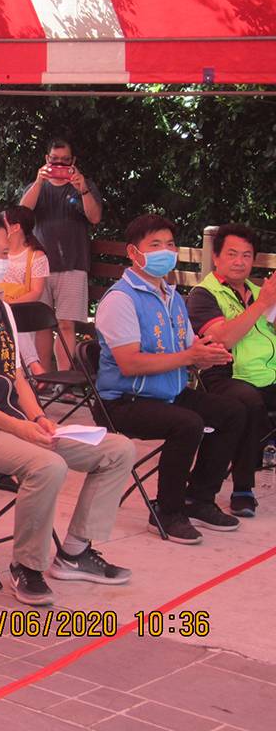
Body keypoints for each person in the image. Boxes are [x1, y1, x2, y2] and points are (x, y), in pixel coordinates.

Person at [0, 209, 136, 606]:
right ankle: (27, 565)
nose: (0, 261)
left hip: (15, 425)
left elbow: (16, 375)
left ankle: (75, 552)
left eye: (5, 253)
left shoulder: (0, 309)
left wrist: (38, 417)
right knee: (47, 465)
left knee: (118, 449)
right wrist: (18, 427)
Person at [95, 214, 243, 544]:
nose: (166, 251)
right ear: (133, 253)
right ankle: (167, 510)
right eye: (155, 245)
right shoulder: (120, 299)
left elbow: (189, 345)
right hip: (124, 400)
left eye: (170, 244)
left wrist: (207, 353)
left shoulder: (173, 297)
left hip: (168, 392)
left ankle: (198, 499)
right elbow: (129, 363)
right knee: (187, 423)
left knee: (232, 411)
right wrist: (190, 357)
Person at [188, 224, 276, 518]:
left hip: (267, 374)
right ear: (216, 257)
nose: (240, 261)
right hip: (223, 374)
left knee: (255, 398)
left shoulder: (259, 292)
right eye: (232, 254)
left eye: (247, 255)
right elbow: (223, 339)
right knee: (248, 402)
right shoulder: (204, 294)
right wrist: (261, 305)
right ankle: (243, 488)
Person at [19, 138, 102, 370]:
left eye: (65, 160)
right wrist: (39, 182)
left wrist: (82, 188)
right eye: (54, 160)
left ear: (73, 161)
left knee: (66, 324)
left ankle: (63, 380)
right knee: (41, 325)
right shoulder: (37, 186)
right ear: (46, 159)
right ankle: (42, 377)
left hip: (73, 265)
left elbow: (95, 217)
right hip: (40, 266)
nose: (59, 165)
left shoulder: (83, 185)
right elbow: (22, 213)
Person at [0, 205, 50, 374]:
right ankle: (33, 364)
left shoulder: (36, 256)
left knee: (9, 316)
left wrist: (9, 305)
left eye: (3, 222)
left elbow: (36, 292)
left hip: (21, 308)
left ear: (16, 227)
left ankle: (31, 365)